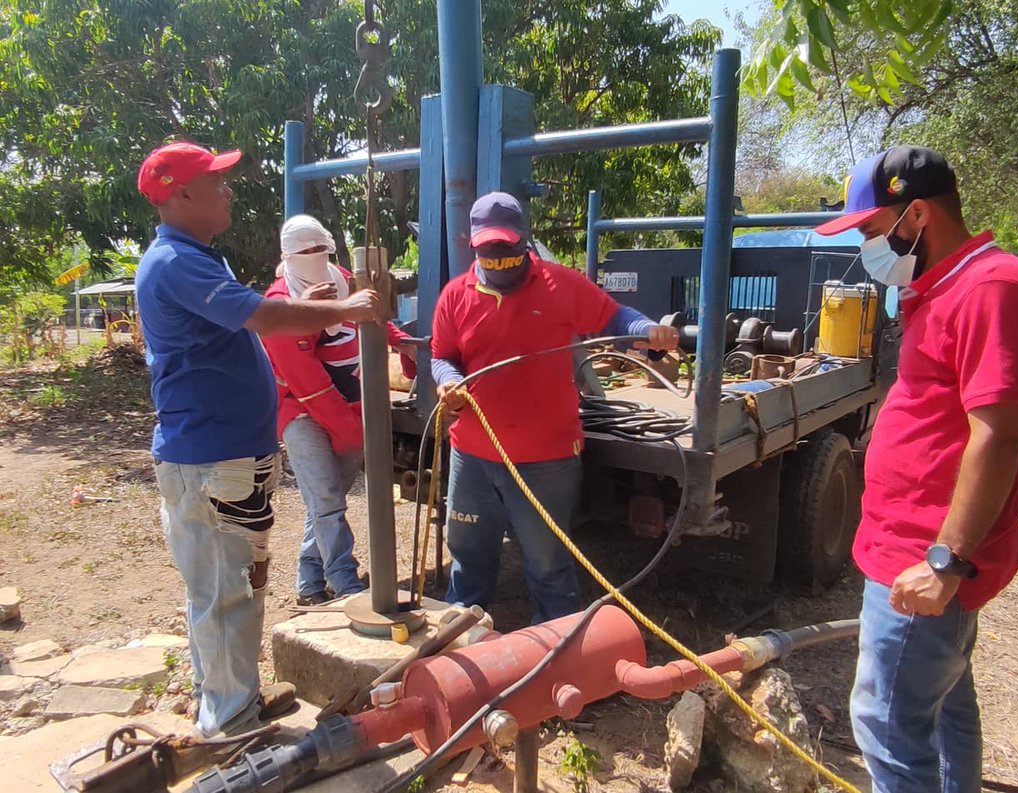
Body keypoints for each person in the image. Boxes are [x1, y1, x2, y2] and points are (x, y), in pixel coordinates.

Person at [814, 145, 1018, 792]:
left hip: (924, 556)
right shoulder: (946, 286)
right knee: (945, 706)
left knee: (888, 727)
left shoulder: (994, 290)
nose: (868, 248)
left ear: (918, 215)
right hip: (907, 545)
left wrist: (946, 561)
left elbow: (998, 436)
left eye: (872, 230)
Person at [134, 141, 383, 737]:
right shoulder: (176, 262)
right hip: (211, 457)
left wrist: (308, 306)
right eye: (216, 182)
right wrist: (345, 308)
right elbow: (263, 317)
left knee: (232, 586)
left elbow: (245, 320)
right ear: (182, 193)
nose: (228, 191)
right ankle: (231, 727)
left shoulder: (197, 256)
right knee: (226, 592)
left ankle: (229, 697)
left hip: (225, 456)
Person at [431, 192, 679, 624]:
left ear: (523, 239)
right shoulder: (455, 296)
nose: (499, 258)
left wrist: (647, 329)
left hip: (546, 459)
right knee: (468, 554)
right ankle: (461, 630)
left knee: (548, 562)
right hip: (472, 456)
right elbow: (442, 355)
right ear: (473, 245)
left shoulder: (559, 284)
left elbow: (615, 318)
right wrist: (447, 380)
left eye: (507, 248)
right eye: (489, 249)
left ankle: (557, 638)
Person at [261, 214, 417, 606]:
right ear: (287, 256)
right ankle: (345, 581)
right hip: (300, 410)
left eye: (321, 249)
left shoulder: (342, 279)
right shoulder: (281, 305)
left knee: (326, 500)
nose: (315, 257)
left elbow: (369, 316)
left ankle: (309, 581)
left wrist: (401, 341)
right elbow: (306, 379)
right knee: (327, 498)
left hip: (349, 403)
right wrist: (347, 428)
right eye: (306, 252)